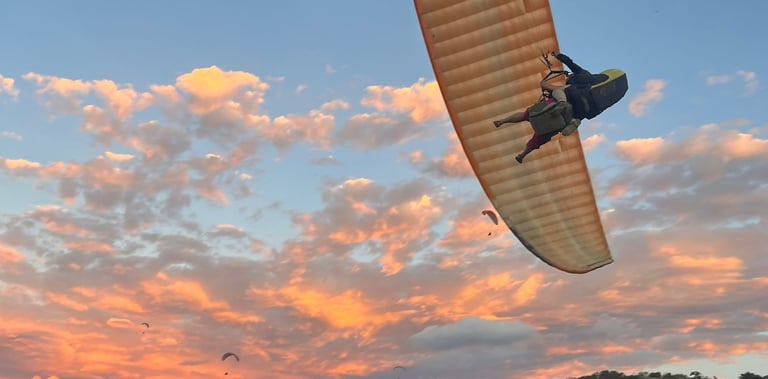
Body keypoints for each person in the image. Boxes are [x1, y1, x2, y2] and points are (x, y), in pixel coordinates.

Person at [493, 52, 606, 163]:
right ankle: (522, 155)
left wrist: (556, 57)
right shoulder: (598, 96)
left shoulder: (582, 75)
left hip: (561, 101)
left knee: (527, 114)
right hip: (572, 116)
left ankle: (502, 121)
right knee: (541, 136)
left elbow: (569, 63)